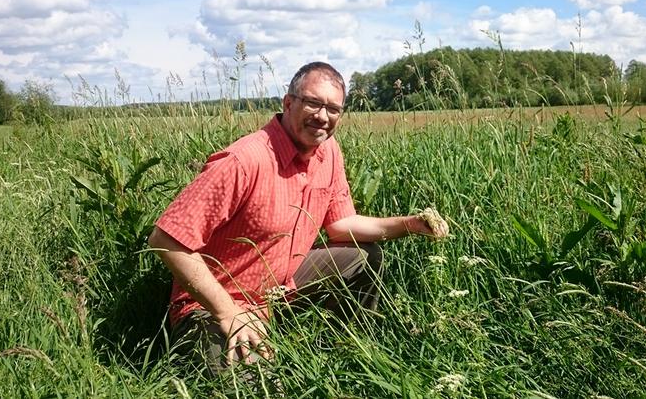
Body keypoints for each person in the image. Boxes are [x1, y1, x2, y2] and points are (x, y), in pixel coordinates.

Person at [148, 61, 443, 375]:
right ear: (288, 103)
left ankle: (346, 355)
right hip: (214, 303)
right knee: (257, 385)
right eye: (313, 103)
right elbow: (165, 240)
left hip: (278, 288)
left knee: (362, 254)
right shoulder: (243, 161)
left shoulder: (327, 152)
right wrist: (228, 313)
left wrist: (409, 225)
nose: (322, 116)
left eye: (333, 109)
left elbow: (342, 226)